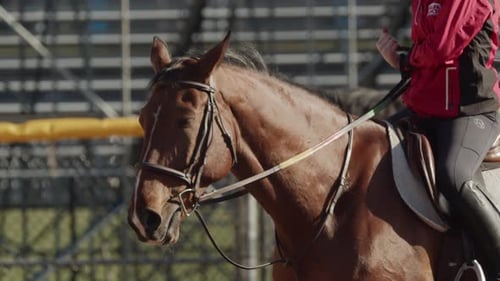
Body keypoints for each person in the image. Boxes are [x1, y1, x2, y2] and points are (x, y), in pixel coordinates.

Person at [376, 0, 500, 280]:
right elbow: (431, 56)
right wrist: (399, 57)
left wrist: (405, 59)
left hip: (470, 110)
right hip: (425, 109)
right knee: (368, 150)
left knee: (453, 175)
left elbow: (443, 47)